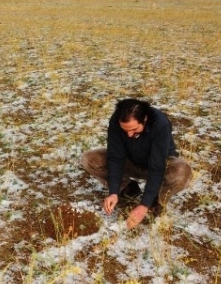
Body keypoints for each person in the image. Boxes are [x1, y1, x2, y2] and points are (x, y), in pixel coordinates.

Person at [80, 98, 193, 229]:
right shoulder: (117, 121)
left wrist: (144, 205)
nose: (129, 134)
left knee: (182, 171)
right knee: (89, 159)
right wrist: (113, 192)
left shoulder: (160, 123)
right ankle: (128, 188)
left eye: (134, 129)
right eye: (125, 130)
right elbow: (115, 157)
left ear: (144, 119)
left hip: (159, 165)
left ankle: (155, 202)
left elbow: (157, 167)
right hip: (130, 162)